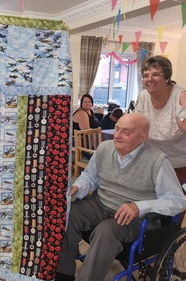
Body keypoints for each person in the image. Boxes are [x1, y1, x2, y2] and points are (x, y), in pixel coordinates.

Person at [55, 113, 186, 281]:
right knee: (68, 213)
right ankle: (63, 274)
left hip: (136, 218)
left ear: (142, 137)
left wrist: (140, 207)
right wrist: (77, 187)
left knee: (106, 231)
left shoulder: (157, 161)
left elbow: (178, 200)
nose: (117, 135)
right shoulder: (104, 149)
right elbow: (89, 178)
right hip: (101, 203)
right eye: (117, 129)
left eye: (126, 132)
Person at [136, 55, 186, 184]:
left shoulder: (181, 96)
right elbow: (137, 127)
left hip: (177, 165)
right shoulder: (143, 96)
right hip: (149, 160)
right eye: (146, 75)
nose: (149, 79)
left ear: (167, 77)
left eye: (155, 74)